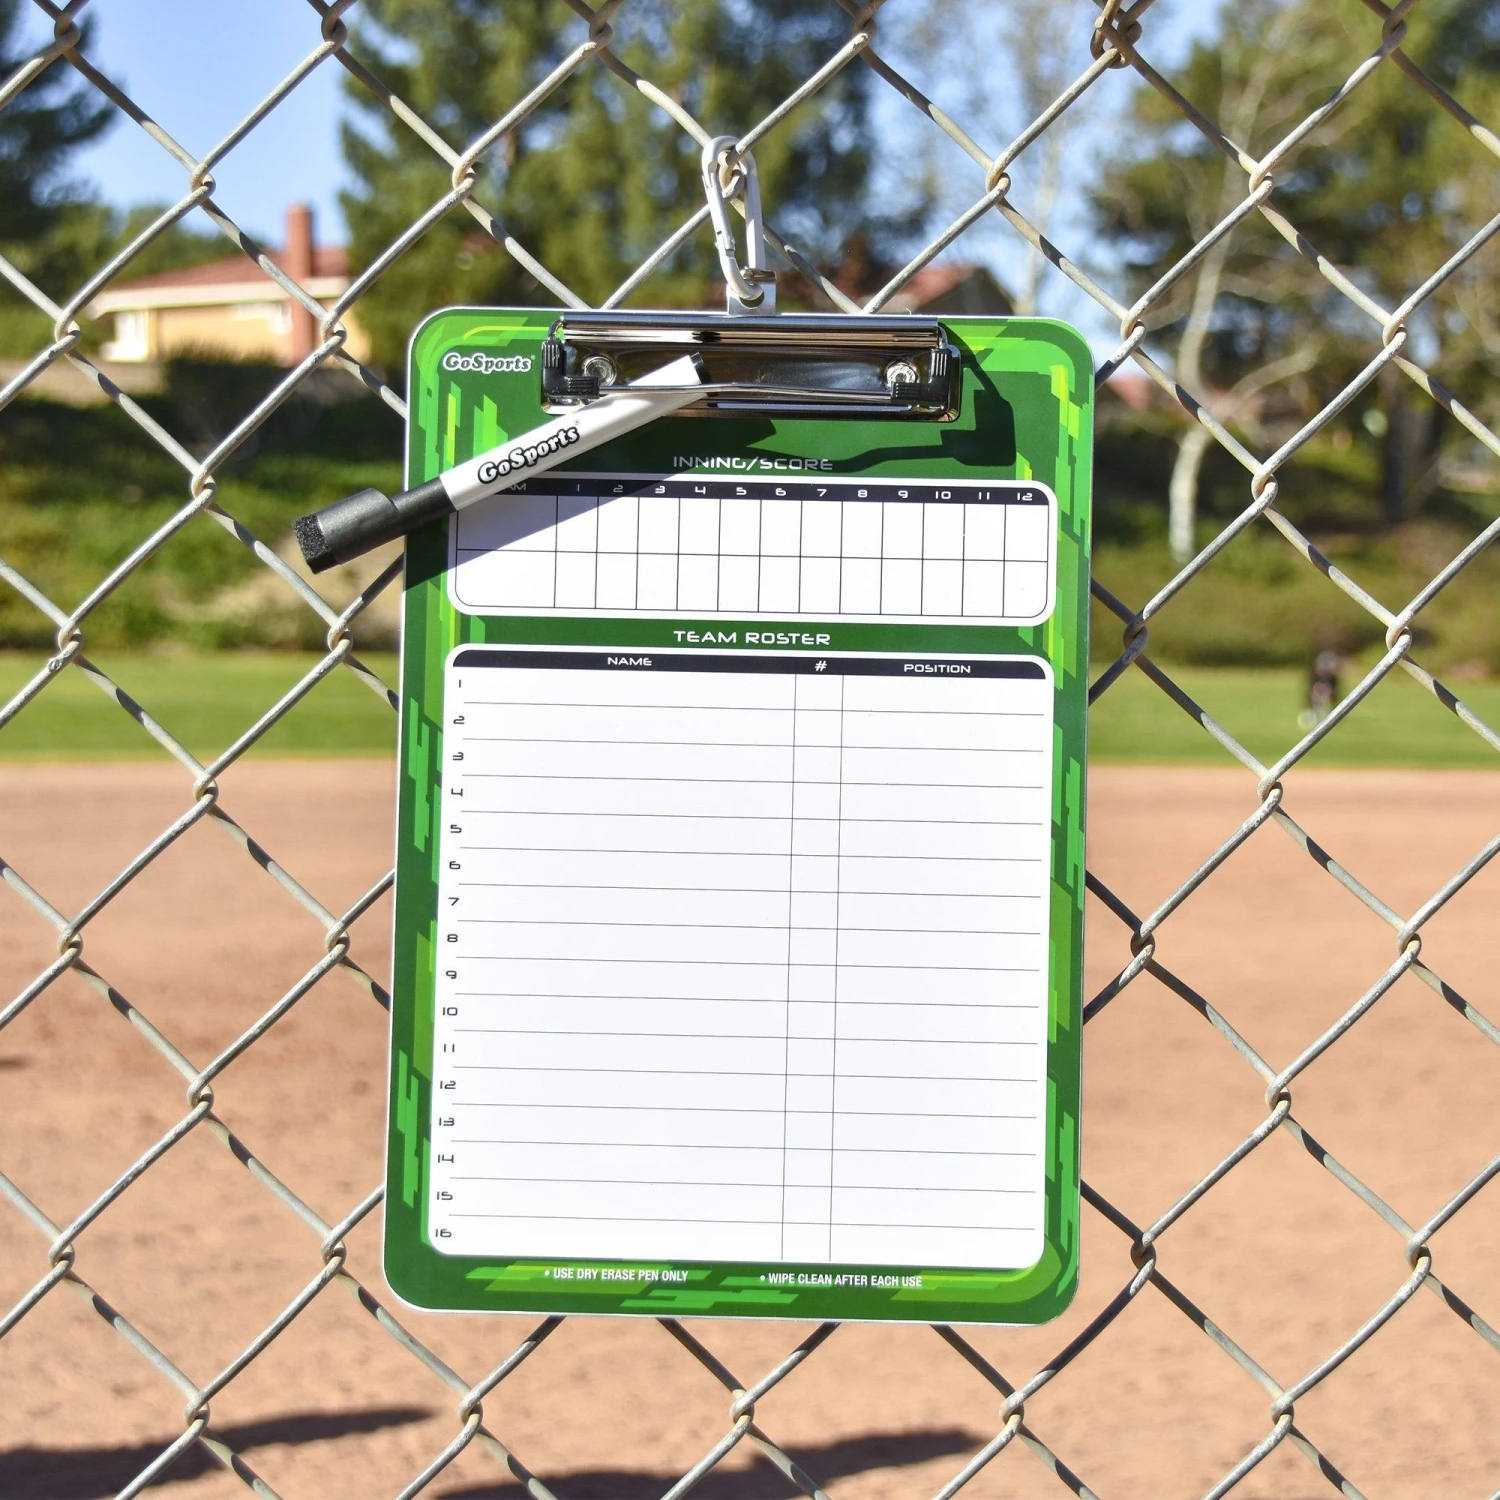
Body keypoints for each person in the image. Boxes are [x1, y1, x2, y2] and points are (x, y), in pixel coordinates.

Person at [1299, 650, 1341, 730]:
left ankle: (1330, 719)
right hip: (1316, 694)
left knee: (1328, 706)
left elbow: (1334, 691)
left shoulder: (1332, 678)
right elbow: (1310, 687)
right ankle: (1314, 718)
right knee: (1315, 706)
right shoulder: (1314, 676)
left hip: (1326, 694)